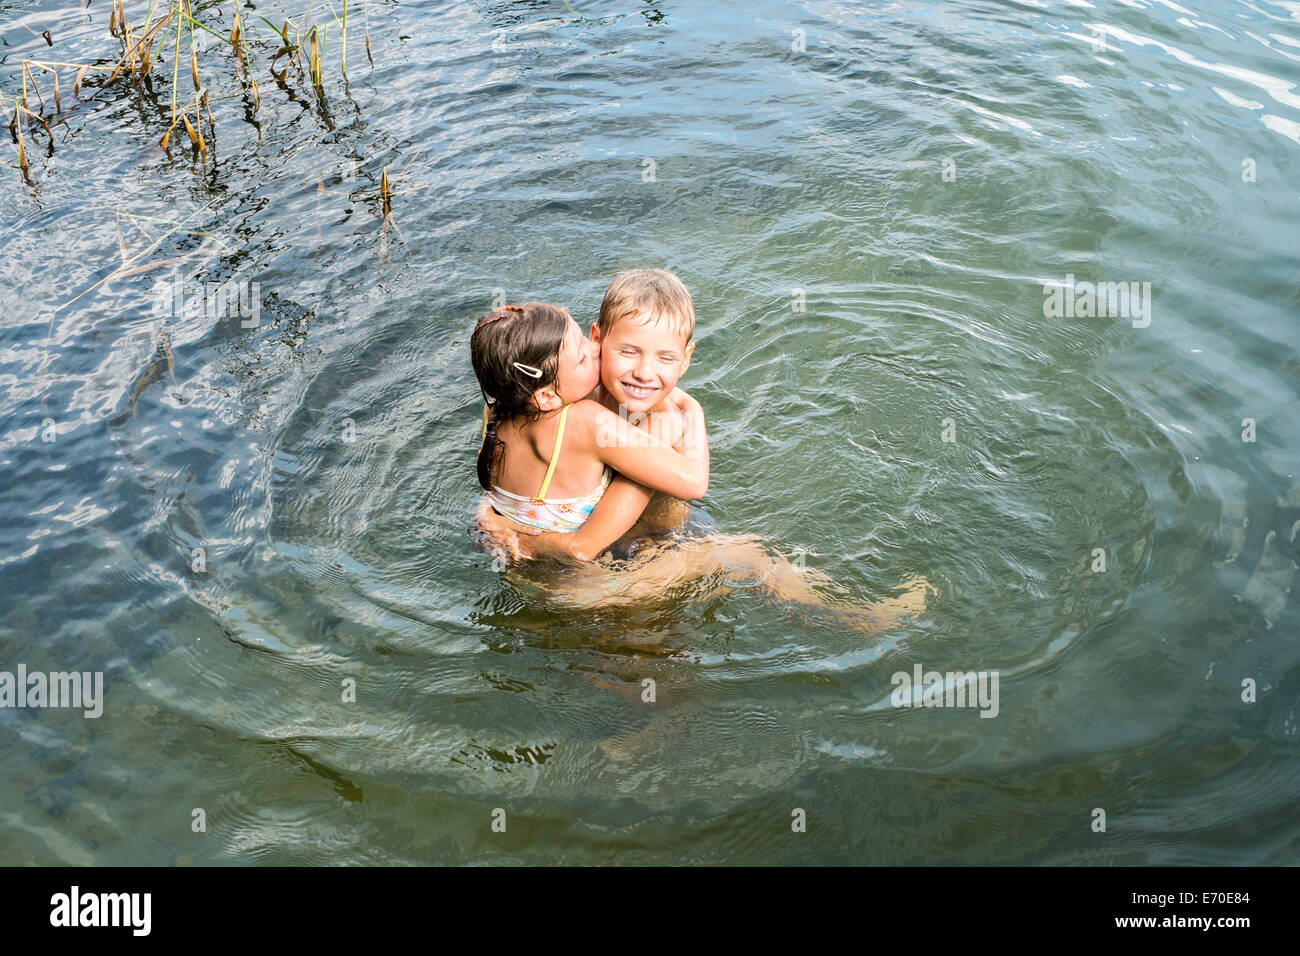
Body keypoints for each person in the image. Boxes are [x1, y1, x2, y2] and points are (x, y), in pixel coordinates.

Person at [474, 273, 931, 634]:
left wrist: (500, 528)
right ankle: (861, 621)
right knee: (748, 556)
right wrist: (688, 417)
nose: (596, 355)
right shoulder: (590, 422)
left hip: (536, 577)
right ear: (548, 395)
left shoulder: (499, 413)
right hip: (592, 582)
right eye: (586, 354)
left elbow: (496, 500)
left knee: (625, 651)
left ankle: (623, 733)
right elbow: (691, 484)